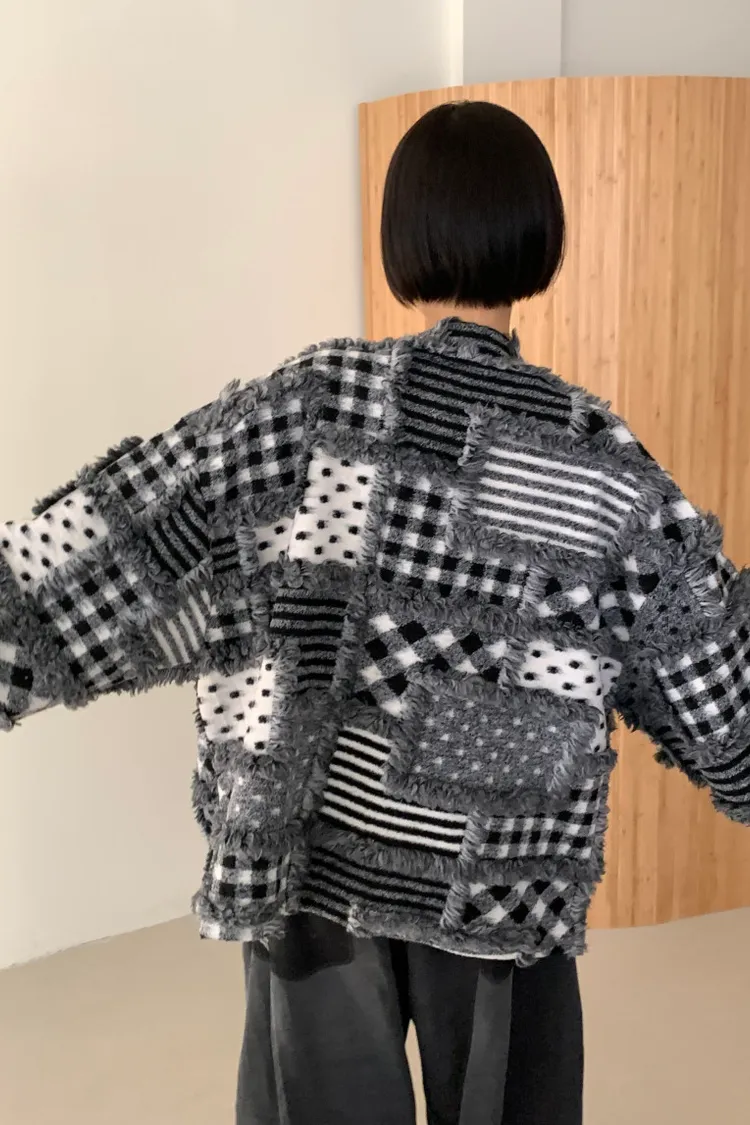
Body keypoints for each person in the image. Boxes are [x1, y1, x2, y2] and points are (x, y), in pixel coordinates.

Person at [2, 100, 748, 1125]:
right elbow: (719, 682)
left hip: (312, 863)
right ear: (545, 239)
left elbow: (119, 541)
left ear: (403, 241)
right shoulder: (602, 464)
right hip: (501, 883)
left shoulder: (306, 409)